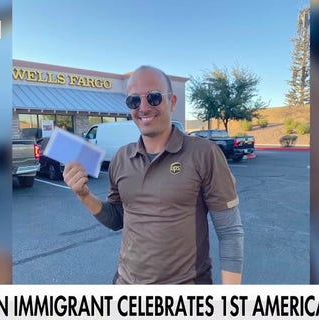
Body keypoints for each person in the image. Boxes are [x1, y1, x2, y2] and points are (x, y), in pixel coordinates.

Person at [63, 66, 243, 284]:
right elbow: (117, 218)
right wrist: (84, 195)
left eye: (154, 97)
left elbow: (230, 233)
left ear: (172, 102)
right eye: (134, 101)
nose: (144, 107)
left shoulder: (204, 154)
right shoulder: (121, 158)